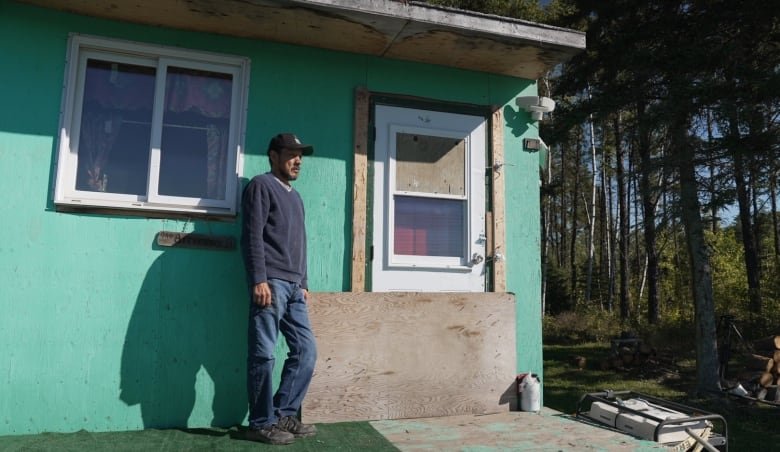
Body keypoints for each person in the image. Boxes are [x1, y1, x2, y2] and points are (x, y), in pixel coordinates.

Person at [240, 133, 318, 445]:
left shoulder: (295, 197)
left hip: (294, 287)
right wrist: (258, 279)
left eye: (301, 155)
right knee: (263, 353)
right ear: (274, 155)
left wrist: (305, 282)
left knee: (306, 350)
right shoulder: (261, 185)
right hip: (270, 281)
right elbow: (252, 236)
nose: (298, 160)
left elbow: (300, 242)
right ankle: (260, 422)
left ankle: (283, 411)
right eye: (291, 153)